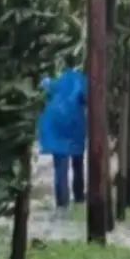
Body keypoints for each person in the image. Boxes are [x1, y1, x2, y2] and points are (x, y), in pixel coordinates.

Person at [38, 67, 87, 219]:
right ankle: (78, 198)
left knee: (60, 168)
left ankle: (62, 205)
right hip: (73, 126)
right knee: (77, 163)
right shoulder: (83, 82)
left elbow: (44, 87)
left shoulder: (57, 83)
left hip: (55, 127)